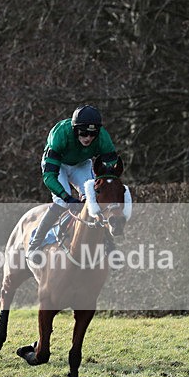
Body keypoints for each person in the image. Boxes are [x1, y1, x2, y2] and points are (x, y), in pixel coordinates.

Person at [26, 104, 119, 260]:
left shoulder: (103, 137)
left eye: (92, 134)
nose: (88, 138)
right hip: (59, 165)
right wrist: (67, 198)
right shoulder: (61, 135)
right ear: (75, 130)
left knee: (94, 200)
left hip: (81, 164)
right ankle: (34, 245)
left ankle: (108, 243)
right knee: (62, 203)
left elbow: (112, 168)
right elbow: (49, 177)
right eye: (83, 133)